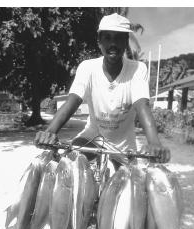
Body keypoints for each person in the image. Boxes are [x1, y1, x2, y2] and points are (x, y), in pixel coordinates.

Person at [34, 13, 171, 166]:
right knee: (71, 168)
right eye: (107, 37)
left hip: (124, 149)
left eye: (118, 38)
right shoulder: (87, 67)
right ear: (99, 42)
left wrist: (154, 143)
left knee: (129, 185)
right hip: (91, 140)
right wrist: (50, 132)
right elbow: (72, 101)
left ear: (126, 42)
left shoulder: (138, 69)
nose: (113, 43)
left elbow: (142, 106)